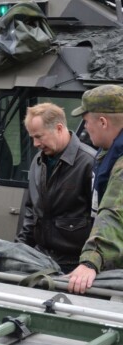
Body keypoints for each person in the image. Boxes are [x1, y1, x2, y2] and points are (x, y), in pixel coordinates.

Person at [14, 103, 96, 273]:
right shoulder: (38, 161)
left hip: (75, 266)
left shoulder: (89, 164)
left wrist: (90, 264)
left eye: (39, 136)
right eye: (32, 138)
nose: (35, 143)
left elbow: (100, 222)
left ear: (59, 128)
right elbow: (30, 212)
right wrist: (18, 251)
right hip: (39, 259)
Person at [67, 84, 123, 294]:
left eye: (86, 121)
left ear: (102, 122)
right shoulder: (107, 153)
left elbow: (114, 212)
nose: (85, 128)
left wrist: (91, 260)